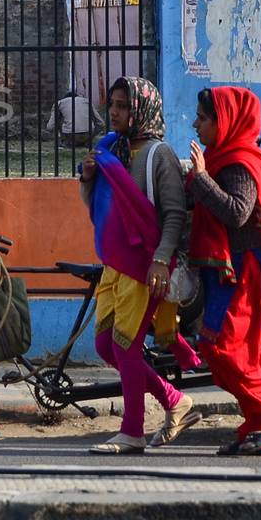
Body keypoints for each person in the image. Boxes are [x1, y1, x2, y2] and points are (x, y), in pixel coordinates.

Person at [77, 77, 202, 454]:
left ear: (140, 110)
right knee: (104, 345)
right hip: (115, 263)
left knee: (125, 346)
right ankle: (174, 400)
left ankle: (132, 430)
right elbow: (97, 207)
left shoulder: (158, 155)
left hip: (146, 264)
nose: (113, 112)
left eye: (122, 106)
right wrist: (87, 180)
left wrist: (162, 260)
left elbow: (174, 215)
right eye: (112, 105)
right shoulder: (110, 149)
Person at [187, 86, 261, 456]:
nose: (196, 125)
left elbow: (237, 212)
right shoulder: (222, 156)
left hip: (247, 265)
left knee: (226, 346)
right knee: (229, 347)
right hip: (232, 267)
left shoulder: (239, 162)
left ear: (225, 121)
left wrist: (202, 178)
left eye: (203, 118)